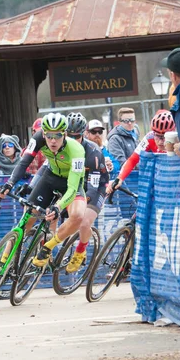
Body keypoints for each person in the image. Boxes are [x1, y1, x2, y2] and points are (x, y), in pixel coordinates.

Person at [0, 113, 86, 280]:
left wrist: (58, 207)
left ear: (65, 134)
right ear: (43, 133)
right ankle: (3, 263)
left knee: (78, 215)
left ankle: (48, 247)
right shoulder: (37, 139)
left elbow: (72, 188)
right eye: (49, 135)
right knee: (26, 219)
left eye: (57, 135)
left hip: (70, 183)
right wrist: (9, 184)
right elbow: (23, 163)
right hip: (50, 178)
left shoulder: (77, 150)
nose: (52, 140)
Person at [63, 112, 109, 272]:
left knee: (83, 220)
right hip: (74, 183)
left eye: (77, 136)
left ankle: (81, 250)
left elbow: (93, 187)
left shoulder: (92, 152)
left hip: (96, 185)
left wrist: (83, 201)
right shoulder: (61, 148)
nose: (73, 140)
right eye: (70, 136)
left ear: (83, 134)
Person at [108, 110, 176, 194]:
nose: (160, 142)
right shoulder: (149, 137)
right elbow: (132, 160)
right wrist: (120, 178)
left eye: (165, 137)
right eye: (158, 136)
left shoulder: (179, 139)